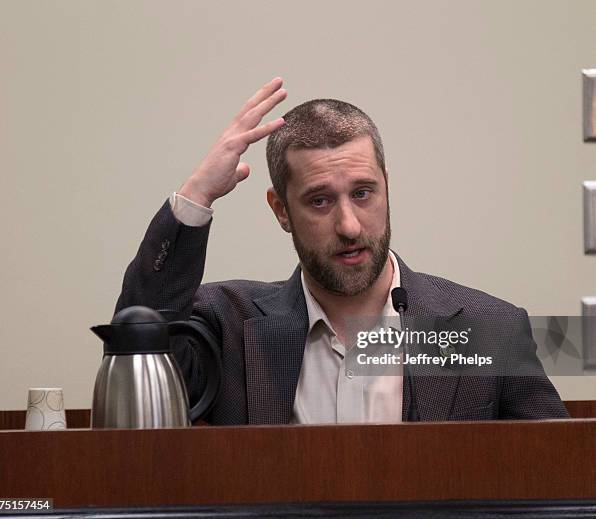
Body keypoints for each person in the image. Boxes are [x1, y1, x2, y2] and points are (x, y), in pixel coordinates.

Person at [115, 77, 569, 424]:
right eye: (320, 201)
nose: (349, 226)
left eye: (363, 193)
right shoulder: (227, 326)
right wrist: (197, 196)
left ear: (387, 188)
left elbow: (556, 479)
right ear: (281, 210)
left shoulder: (487, 329)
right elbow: (135, 348)